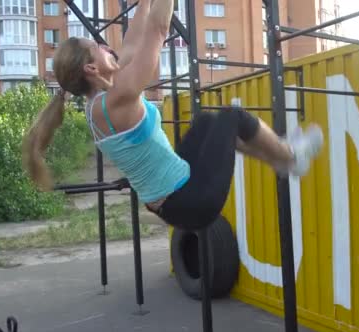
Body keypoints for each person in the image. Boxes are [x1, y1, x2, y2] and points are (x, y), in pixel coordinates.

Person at [22, 0, 323, 231]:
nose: (104, 45)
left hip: (175, 192)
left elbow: (133, 38)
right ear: (90, 68)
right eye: (96, 47)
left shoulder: (101, 102)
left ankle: (277, 160)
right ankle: (291, 156)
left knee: (207, 121)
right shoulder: (115, 100)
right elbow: (157, 30)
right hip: (191, 202)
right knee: (233, 118)